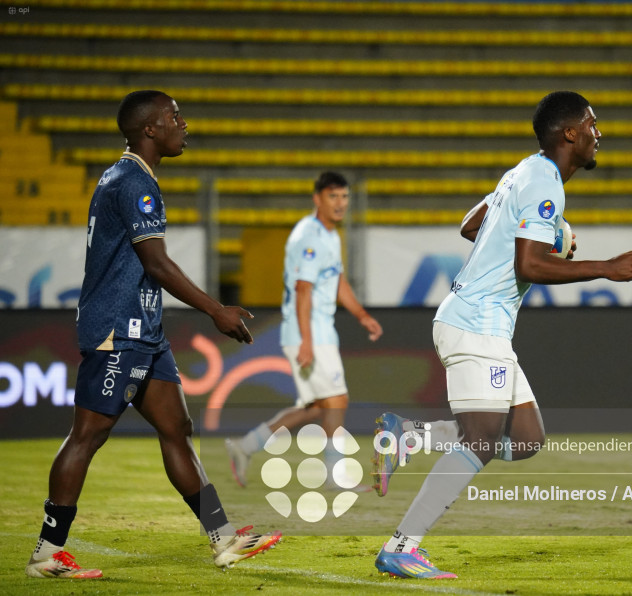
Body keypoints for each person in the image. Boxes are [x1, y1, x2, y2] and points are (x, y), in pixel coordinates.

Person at [372, 91, 632, 579]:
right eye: (591, 123)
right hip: (477, 324)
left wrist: (540, 229)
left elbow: (469, 226)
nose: (597, 133)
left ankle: (409, 436)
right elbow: (530, 264)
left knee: (525, 441)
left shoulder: (521, 171)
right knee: (480, 443)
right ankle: (401, 546)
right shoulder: (544, 183)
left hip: (478, 323)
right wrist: (604, 267)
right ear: (570, 133)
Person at [25, 90, 281, 580]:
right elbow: (157, 264)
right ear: (150, 129)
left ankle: (222, 539)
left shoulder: (127, 177)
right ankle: (46, 552)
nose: (184, 125)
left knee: (177, 432)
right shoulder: (132, 182)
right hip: (118, 332)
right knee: (87, 436)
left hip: (145, 330)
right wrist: (215, 310)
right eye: (174, 118)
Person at [225, 171, 382, 488]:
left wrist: (362, 315)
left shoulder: (330, 235)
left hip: (318, 331)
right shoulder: (309, 236)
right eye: (333, 196)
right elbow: (302, 290)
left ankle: (245, 446)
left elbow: (337, 282)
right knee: (337, 399)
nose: (340, 204)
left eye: (344, 197)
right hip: (309, 332)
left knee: (315, 407)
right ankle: (335, 474)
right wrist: (307, 342)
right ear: (317, 199)